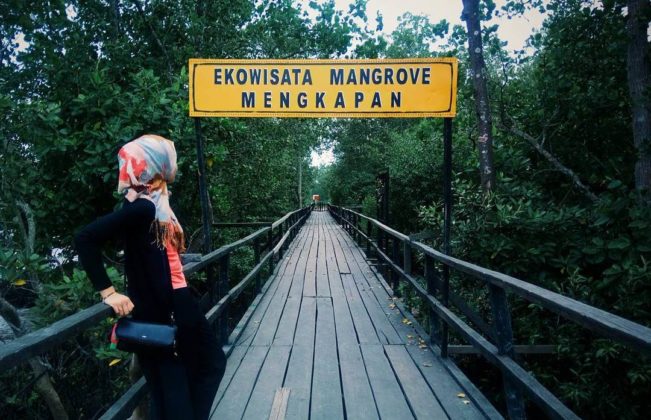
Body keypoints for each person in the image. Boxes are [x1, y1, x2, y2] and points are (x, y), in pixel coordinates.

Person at [74, 134, 226, 420]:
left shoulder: (153, 205)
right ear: (155, 166)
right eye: (165, 158)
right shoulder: (144, 207)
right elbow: (85, 239)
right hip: (167, 309)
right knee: (182, 383)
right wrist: (108, 292)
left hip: (171, 305)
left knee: (185, 379)